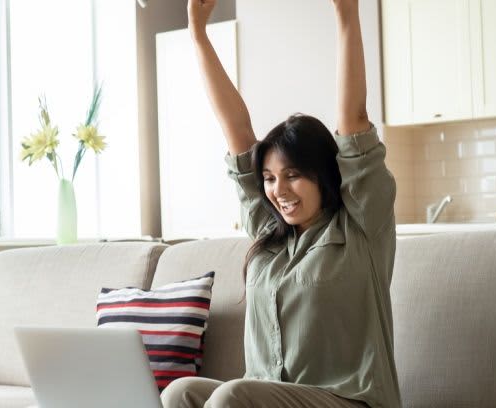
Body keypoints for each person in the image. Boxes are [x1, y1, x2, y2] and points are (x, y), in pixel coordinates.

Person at [160, 0, 402, 407]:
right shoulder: (269, 234)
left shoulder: (361, 226)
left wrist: (346, 14)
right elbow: (236, 129)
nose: (278, 190)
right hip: (266, 394)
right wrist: (198, 34)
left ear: (323, 173)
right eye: (270, 178)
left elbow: (354, 116)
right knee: (180, 392)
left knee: (230, 397)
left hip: (348, 399)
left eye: (293, 175)